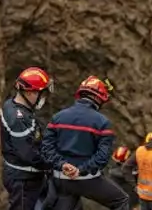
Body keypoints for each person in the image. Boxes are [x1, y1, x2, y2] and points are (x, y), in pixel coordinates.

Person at [41, 76, 129, 210]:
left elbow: (46, 148)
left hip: (61, 179)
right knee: (121, 200)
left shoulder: (58, 117)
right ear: (99, 98)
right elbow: (102, 156)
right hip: (87, 179)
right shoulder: (102, 122)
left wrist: (62, 164)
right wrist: (81, 170)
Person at [0, 67, 54, 210]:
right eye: (41, 93)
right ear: (30, 92)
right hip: (23, 179)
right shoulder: (18, 119)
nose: (43, 97)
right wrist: (52, 164)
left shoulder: (12, 106)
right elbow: (28, 153)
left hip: (28, 176)